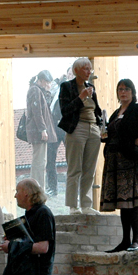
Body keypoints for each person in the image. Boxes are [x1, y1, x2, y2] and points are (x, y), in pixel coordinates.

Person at [100, 79, 138, 252]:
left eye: (126, 89)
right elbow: (108, 135)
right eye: (120, 89)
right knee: (123, 202)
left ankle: (135, 240)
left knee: (132, 202)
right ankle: (125, 240)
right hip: (114, 162)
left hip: (128, 160)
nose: (123, 92)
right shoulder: (114, 114)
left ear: (132, 92)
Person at [58, 57, 103, 215]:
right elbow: (65, 110)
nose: (88, 71)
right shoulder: (66, 87)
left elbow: (97, 110)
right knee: (75, 169)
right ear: (76, 70)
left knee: (89, 170)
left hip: (93, 129)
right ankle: (72, 206)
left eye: (90, 69)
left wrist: (101, 126)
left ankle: (86, 205)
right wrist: (81, 97)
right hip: (77, 128)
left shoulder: (91, 87)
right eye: (85, 68)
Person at [26, 70, 58, 191]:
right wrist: (43, 129)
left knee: (41, 161)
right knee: (39, 162)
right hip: (38, 132)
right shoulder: (35, 90)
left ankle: (38, 188)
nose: (49, 85)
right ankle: (37, 189)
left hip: (38, 131)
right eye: (48, 82)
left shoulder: (38, 90)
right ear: (43, 81)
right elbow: (37, 112)